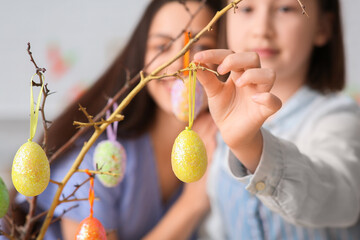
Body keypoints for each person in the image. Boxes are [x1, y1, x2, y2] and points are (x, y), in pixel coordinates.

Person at [8, 0, 222, 239]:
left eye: (201, 46)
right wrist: (191, 206)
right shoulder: (99, 158)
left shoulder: (220, 148)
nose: (179, 63)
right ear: (141, 57)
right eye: (162, 47)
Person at [192, 0, 360, 239]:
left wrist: (250, 146)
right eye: (247, 8)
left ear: (323, 27)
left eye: (285, 8)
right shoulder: (215, 124)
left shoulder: (338, 117)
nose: (262, 29)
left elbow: (340, 199)